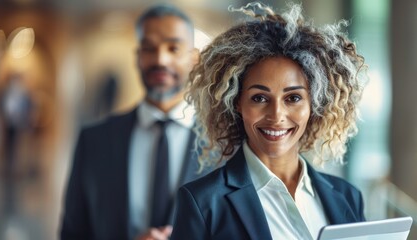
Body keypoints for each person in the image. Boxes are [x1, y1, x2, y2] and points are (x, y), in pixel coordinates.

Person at [171, 2, 367, 240]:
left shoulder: (348, 196)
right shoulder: (202, 202)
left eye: (293, 98)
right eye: (260, 98)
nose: (276, 116)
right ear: (237, 102)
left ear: (313, 104)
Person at [60, 4, 202, 240]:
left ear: (194, 59)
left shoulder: (225, 142)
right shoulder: (94, 141)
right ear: (137, 58)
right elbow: (72, 234)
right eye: (149, 48)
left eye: (173, 48)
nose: (160, 59)